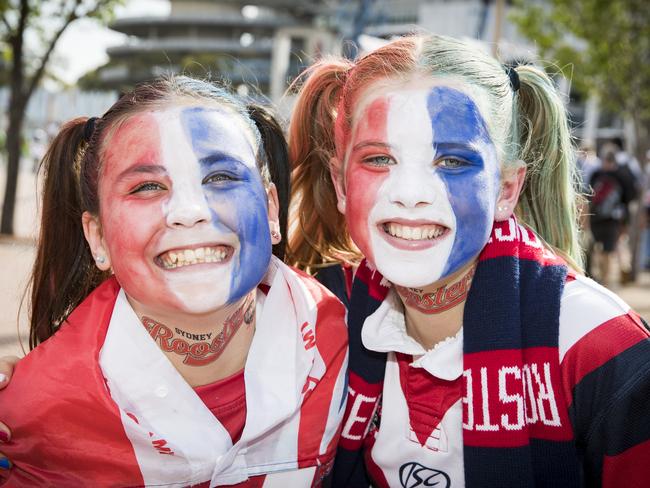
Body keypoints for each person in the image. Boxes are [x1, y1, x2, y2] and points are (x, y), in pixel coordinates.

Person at [288, 34, 650, 487]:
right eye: (379, 159)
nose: (411, 194)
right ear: (342, 186)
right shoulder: (322, 318)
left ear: (506, 190)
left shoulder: (596, 345)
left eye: (453, 162)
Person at [0, 76, 348, 486]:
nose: (190, 211)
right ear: (98, 238)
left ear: (271, 208)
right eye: (147, 186)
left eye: (220, 177)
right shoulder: (34, 412)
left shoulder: (348, 335)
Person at [588, 151, 635, 286]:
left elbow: (588, 196)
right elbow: (628, 199)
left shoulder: (596, 174)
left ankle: (604, 277)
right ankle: (606, 279)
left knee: (600, 250)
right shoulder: (622, 175)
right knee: (609, 250)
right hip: (613, 219)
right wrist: (625, 221)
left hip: (596, 218)